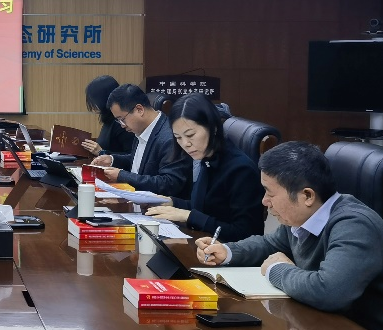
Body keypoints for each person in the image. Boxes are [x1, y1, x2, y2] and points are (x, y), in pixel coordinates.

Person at [194, 141, 383, 330]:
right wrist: (227, 251)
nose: (264, 201)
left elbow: (329, 291)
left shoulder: (354, 225)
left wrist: (277, 270)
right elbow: (269, 244)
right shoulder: (303, 218)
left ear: (307, 196)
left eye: (270, 193)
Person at [144, 92, 263, 240]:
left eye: (190, 135)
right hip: (205, 243)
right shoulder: (206, 157)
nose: (185, 144)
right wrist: (172, 202)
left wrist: (189, 216)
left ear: (213, 128)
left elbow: (245, 233)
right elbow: (208, 206)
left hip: (228, 250)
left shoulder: (241, 170)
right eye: (178, 137)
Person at [89, 84, 192, 199]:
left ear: (139, 110)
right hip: (136, 200)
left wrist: (122, 176)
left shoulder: (170, 137)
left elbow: (169, 183)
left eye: (122, 119)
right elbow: (141, 161)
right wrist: (112, 159)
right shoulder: (141, 129)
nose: (122, 125)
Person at [79, 75, 135, 162]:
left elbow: (132, 157)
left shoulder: (122, 122)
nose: (93, 105)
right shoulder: (108, 119)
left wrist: (102, 152)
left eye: (95, 101)